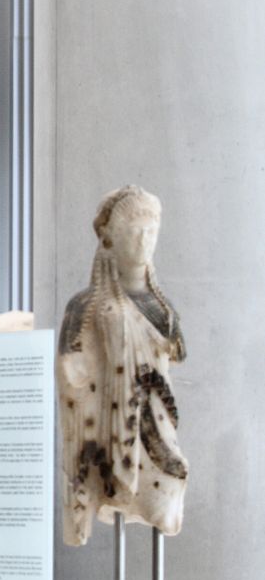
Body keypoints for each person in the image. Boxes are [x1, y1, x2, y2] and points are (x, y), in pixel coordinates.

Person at [58, 185, 187, 546]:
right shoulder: (86, 306)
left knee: (168, 489)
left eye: (152, 230)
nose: (144, 240)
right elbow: (70, 373)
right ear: (110, 238)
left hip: (157, 421)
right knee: (117, 489)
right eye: (134, 231)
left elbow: (176, 353)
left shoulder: (162, 308)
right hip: (107, 427)